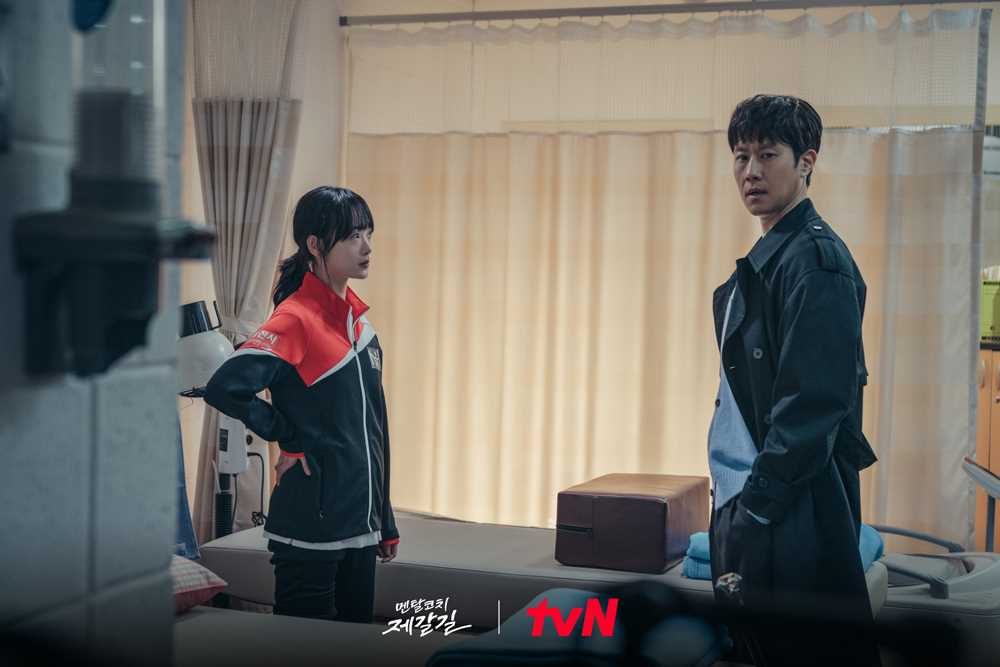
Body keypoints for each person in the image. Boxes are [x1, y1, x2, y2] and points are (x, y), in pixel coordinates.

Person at [706, 95, 880, 665]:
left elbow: (811, 407)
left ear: (806, 162)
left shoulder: (815, 261)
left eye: (768, 155)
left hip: (786, 507)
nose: (750, 172)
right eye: (741, 156)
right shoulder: (772, 257)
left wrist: (756, 509)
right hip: (753, 500)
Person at [205, 186, 398, 622]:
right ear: (315, 243)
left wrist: (384, 520)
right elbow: (225, 387)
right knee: (301, 649)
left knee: (353, 650)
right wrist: (288, 437)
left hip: (361, 529)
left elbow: (376, 431)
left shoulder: (362, 330)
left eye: (368, 234)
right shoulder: (296, 319)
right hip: (310, 528)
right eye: (353, 236)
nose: (367, 247)